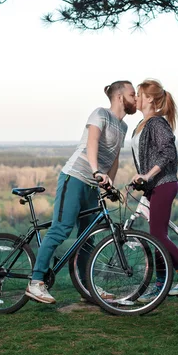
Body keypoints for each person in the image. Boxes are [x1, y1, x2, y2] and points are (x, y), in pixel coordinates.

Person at [25, 80, 137, 304]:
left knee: (87, 238)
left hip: (93, 185)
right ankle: (36, 282)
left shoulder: (123, 127)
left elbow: (114, 158)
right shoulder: (100, 114)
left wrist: (109, 184)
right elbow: (92, 142)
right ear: (119, 97)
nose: (136, 99)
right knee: (61, 228)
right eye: (133, 94)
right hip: (75, 177)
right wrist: (96, 171)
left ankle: (89, 288)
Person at [130, 79, 178, 302]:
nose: (136, 98)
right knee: (154, 236)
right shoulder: (141, 124)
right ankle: (160, 284)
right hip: (152, 186)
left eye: (139, 94)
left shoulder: (157, 123)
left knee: (158, 235)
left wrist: (148, 175)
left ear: (149, 98)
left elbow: (167, 151)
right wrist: (141, 180)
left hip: (163, 184)